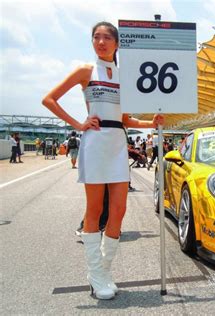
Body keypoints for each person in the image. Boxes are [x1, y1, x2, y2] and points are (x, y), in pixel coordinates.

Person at [42, 21, 164, 300]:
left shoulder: (126, 75)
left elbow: (125, 120)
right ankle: (96, 275)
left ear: (117, 43)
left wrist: (151, 122)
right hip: (95, 143)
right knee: (94, 210)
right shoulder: (86, 71)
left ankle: (103, 271)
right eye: (96, 37)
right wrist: (78, 123)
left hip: (118, 142)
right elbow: (49, 99)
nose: (101, 42)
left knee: (119, 210)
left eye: (107, 37)